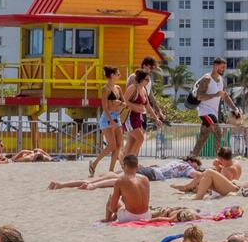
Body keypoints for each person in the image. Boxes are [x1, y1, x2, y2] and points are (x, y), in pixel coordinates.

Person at [50, 157, 203, 190]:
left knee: (111, 176)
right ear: (192, 162)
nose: (195, 167)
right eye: (195, 164)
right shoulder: (187, 167)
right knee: (118, 181)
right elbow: (197, 175)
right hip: (152, 174)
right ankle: (91, 185)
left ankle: (62, 184)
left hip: (150, 170)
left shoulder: (175, 161)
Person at [190, 58, 239, 158]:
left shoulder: (221, 80)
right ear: (215, 66)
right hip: (205, 112)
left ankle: (192, 158)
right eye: (222, 67)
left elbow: (225, 96)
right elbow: (200, 96)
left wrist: (234, 108)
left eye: (224, 68)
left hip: (214, 112)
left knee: (203, 137)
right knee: (218, 132)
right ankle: (220, 160)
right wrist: (216, 94)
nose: (223, 70)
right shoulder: (206, 79)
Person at [173, 152, 248, 200]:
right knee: (205, 174)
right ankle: (186, 188)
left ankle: (197, 196)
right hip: (236, 186)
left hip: (237, 189)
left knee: (209, 172)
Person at [90, 67, 125, 176]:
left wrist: (118, 104)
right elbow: (105, 107)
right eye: (118, 73)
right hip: (107, 118)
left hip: (116, 116)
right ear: (112, 75)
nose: (119, 75)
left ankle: (111, 171)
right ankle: (94, 163)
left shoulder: (118, 88)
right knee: (111, 146)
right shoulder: (105, 89)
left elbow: (124, 103)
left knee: (119, 145)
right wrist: (111, 121)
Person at [104, 155, 150, 223]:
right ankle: (114, 217)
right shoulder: (145, 179)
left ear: (124, 166)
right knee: (125, 201)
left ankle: (108, 220)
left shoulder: (120, 181)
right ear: (137, 166)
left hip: (130, 217)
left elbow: (113, 208)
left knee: (111, 197)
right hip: (147, 215)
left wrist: (118, 210)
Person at [120, 69, 154, 157]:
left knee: (132, 142)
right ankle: (132, 160)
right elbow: (124, 101)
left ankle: (125, 160)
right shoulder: (133, 87)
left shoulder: (144, 90)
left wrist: (156, 118)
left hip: (138, 118)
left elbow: (148, 106)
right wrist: (135, 106)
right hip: (129, 117)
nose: (148, 81)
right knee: (140, 138)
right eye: (147, 79)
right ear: (141, 79)